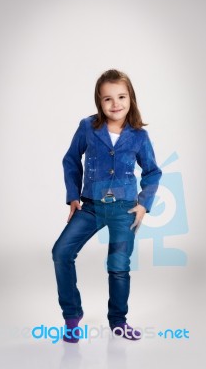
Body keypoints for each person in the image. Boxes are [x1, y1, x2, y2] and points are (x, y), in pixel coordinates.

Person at [52, 69, 162, 342]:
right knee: (61, 252)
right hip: (89, 206)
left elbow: (152, 172)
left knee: (118, 265)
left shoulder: (138, 136)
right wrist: (73, 196)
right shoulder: (88, 127)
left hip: (124, 208)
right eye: (108, 99)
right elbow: (70, 160)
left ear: (131, 98)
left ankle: (118, 321)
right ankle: (72, 317)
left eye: (121, 96)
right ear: (98, 102)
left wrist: (143, 204)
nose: (116, 104)